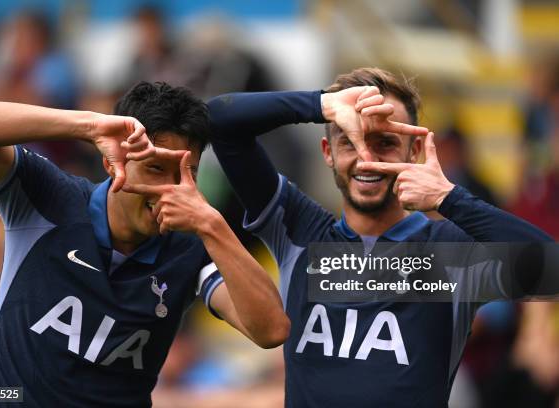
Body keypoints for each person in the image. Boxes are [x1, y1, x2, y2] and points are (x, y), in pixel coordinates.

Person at [193, 68, 552, 407]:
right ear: (327, 153)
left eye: (385, 142)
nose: (367, 159)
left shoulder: (448, 253)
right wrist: (320, 104)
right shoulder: (299, 230)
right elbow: (220, 120)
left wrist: (449, 197)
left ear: (414, 152)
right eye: (350, 141)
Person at [0, 81, 290, 407]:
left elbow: (272, 329)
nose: (172, 190)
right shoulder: (48, 197)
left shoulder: (191, 249)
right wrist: (88, 125)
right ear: (113, 162)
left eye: (188, 173)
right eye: (157, 168)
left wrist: (212, 224)